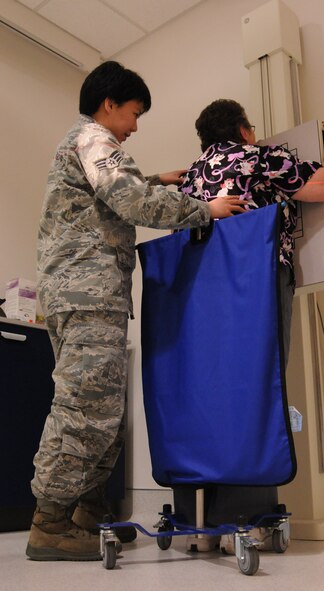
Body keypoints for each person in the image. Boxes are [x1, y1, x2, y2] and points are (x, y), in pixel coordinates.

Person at [26, 63, 245, 562]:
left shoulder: (87, 147)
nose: (135, 125)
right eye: (134, 113)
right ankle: (50, 522)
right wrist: (202, 209)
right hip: (88, 295)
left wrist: (157, 177)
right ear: (110, 104)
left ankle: (86, 511)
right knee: (85, 408)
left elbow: (111, 192)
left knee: (102, 407)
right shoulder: (95, 139)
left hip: (82, 295)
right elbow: (130, 200)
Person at [181, 98, 324, 366]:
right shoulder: (256, 156)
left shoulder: (189, 178)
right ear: (243, 130)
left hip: (202, 283)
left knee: (225, 368)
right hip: (256, 272)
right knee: (266, 369)